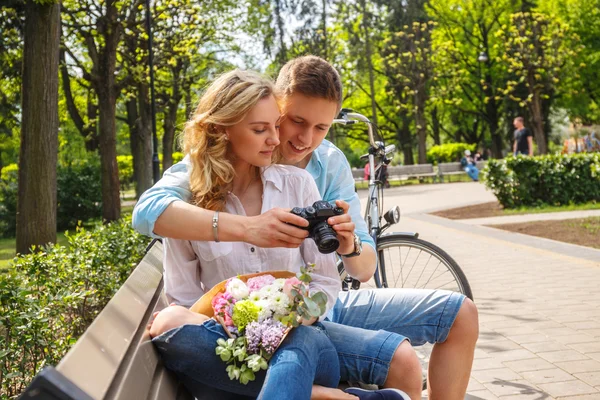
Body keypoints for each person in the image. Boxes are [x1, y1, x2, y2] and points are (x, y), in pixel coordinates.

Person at [135, 56, 478, 400]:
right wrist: (249, 229)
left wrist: (348, 246)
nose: (304, 139)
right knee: (174, 322)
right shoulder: (194, 185)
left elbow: (352, 274)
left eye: (321, 128)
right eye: (293, 122)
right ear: (276, 107)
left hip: (314, 309)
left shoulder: (319, 169)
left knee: (455, 316)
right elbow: (150, 216)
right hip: (241, 324)